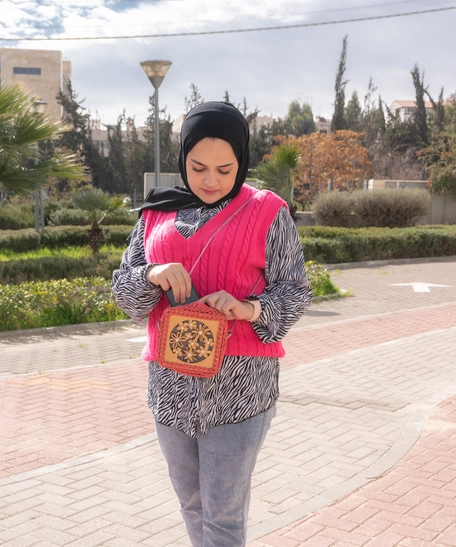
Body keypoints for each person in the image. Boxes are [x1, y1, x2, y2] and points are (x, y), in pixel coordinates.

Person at [112, 101, 313, 547]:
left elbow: (296, 290)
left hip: (240, 386)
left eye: (225, 169)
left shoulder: (266, 210)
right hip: (171, 382)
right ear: (182, 157)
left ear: (241, 161)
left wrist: (249, 308)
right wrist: (151, 275)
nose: (210, 181)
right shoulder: (157, 212)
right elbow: (126, 294)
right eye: (198, 167)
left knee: (222, 517)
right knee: (190, 505)